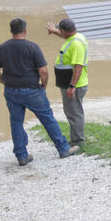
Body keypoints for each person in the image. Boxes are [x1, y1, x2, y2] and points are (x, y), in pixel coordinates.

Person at [0, 18, 77, 165]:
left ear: (11, 31)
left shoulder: (2, 48)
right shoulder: (32, 47)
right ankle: (63, 149)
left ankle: (22, 156)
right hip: (33, 90)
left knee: (16, 122)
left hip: (11, 91)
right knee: (47, 118)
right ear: (25, 30)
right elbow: (43, 71)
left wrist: (5, 82)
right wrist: (44, 85)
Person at [45, 18, 89, 148]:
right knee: (72, 111)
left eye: (60, 30)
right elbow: (67, 38)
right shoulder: (76, 37)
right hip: (71, 84)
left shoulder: (76, 45)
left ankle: (78, 141)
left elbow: (78, 67)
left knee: (74, 113)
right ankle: (76, 138)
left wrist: (72, 86)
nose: (59, 32)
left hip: (75, 85)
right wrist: (54, 32)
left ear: (64, 31)